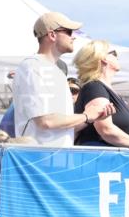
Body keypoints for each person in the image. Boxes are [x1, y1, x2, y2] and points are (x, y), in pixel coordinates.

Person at [13, 12, 113, 147]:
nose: (74, 37)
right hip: (39, 160)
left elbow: (62, 128)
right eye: (69, 32)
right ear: (52, 35)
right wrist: (86, 116)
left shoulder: (55, 71)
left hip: (55, 159)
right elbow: (46, 121)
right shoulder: (33, 66)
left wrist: (93, 117)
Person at [73, 39, 129, 149]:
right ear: (103, 59)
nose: (117, 56)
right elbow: (105, 129)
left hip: (111, 158)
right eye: (114, 53)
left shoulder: (101, 88)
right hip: (103, 159)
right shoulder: (95, 88)